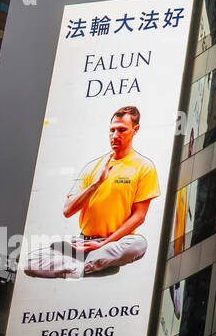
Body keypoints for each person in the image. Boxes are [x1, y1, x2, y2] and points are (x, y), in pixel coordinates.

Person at [24, 106, 159, 279]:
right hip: (83, 242)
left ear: (135, 130)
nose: (115, 135)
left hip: (114, 242)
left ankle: (86, 264)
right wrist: (97, 183)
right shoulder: (93, 167)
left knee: (139, 244)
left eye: (122, 130)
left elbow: (139, 216)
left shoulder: (144, 166)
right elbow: (68, 211)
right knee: (30, 262)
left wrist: (105, 243)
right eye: (112, 130)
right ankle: (89, 267)